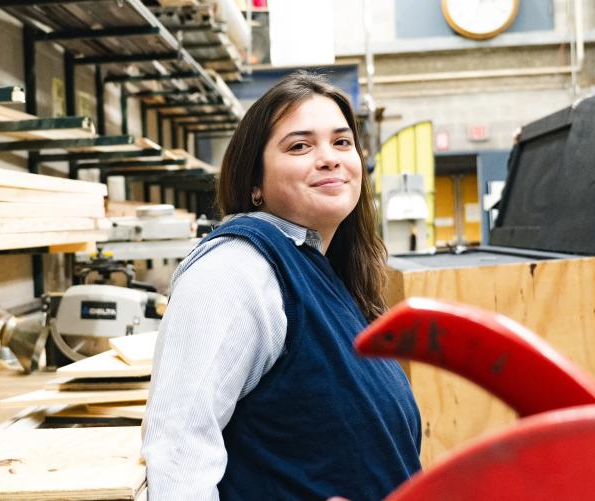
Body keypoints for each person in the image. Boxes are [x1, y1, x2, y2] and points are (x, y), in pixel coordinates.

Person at [142, 72, 422, 500]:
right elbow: (178, 455)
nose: (329, 158)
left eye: (342, 142)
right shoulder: (235, 270)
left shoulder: (322, 269)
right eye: (300, 145)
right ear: (255, 182)